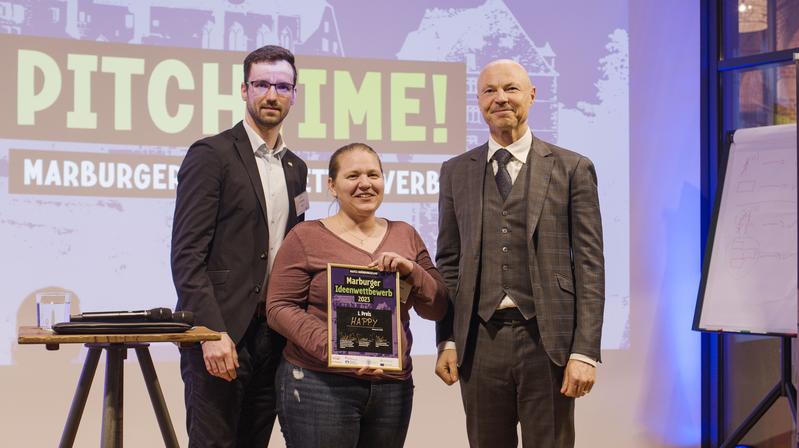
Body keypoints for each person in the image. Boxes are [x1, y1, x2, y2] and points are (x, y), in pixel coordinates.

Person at [434, 59, 605, 448]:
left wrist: (585, 351)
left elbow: (591, 266)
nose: (500, 98)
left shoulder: (573, 167)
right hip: (480, 342)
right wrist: (447, 339)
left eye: (510, 88)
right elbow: (449, 262)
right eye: (489, 91)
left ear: (532, 94)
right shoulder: (455, 171)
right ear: (478, 102)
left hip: (548, 343)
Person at [266, 143, 448, 448]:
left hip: (392, 388)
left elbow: (438, 307)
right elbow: (278, 307)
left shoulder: (406, 234)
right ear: (332, 186)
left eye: (373, 174)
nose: (365, 183)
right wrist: (336, 349)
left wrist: (413, 272)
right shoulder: (305, 236)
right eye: (353, 176)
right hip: (319, 384)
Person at [171, 45, 308, 447]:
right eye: (262, 84)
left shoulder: (295, 168)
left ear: (294, 95)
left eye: (282, 86)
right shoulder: (211, 155)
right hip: (220, 333)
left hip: (273, 337)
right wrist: (211, 332)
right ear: (244, 89)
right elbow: (187, 255)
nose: (272, 95)